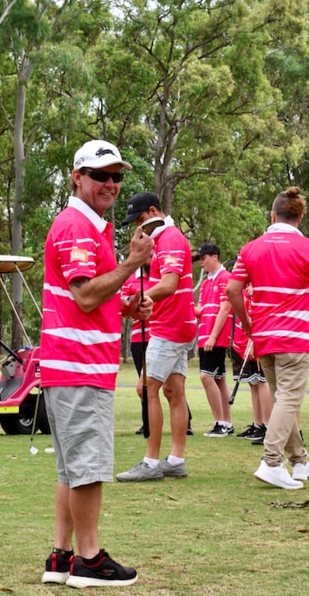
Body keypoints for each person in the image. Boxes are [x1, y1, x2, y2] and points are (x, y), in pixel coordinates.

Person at [39, 139, 153, 588]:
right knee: (87, 468)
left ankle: (63, 556)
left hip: (75, 365)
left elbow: (89, 294)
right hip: (79, 364)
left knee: (72, 470)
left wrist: (125, 305)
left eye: (116, 176)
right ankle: (88, 560)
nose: (110, 183)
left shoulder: (92, 227)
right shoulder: (76, 226)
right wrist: (131, 266)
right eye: (101, 175)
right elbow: (85, 295)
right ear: (77, 177)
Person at [228, 187, 309, 489]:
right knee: (289, 400)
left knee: (284, 401)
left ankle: (300, 461)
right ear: (301, 216)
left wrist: (248, 324)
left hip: (264, 337)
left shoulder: (251, 248)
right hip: (294, 339)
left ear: (273, 214)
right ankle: (271, 462)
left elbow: (232, 290)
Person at [116, 192, 196, 482]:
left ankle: (151, 462)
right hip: (175, 324)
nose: (141, 228)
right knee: (174, 392)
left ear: (154, 211)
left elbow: (170, 283)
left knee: (147, 389)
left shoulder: (171, 238)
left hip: (170, 326)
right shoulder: (160, 241)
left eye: (142, 221)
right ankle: (175, 459)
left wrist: (142, 298)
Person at [193, 242, 236, 437]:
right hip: (204, 335)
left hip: (215, 336)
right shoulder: (205, 283)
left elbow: (225, 308)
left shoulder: (225, 278)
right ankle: (227, 422)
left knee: (206, 376)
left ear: (215, 257)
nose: (201, 263)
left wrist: (213, 336)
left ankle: (220, 423)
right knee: (219, 378)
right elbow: (200, 310)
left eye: (203, 258)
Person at [229, 284, 273, 444]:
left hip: (256, 340)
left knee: (261, 382)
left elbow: (260, 313)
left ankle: (268, 426)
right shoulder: (244, 287)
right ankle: (258, 424)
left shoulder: (259, 285)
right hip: (242, 340)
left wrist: (253, 339)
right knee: (253, 383)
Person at [121, 266, 151, 437]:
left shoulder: (161, 274)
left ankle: (186, 421)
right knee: (145, 386)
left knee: (167, 384)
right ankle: (147, 421)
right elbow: (124, 303)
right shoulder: (131, 278)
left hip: (158, 335)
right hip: (139, 338)